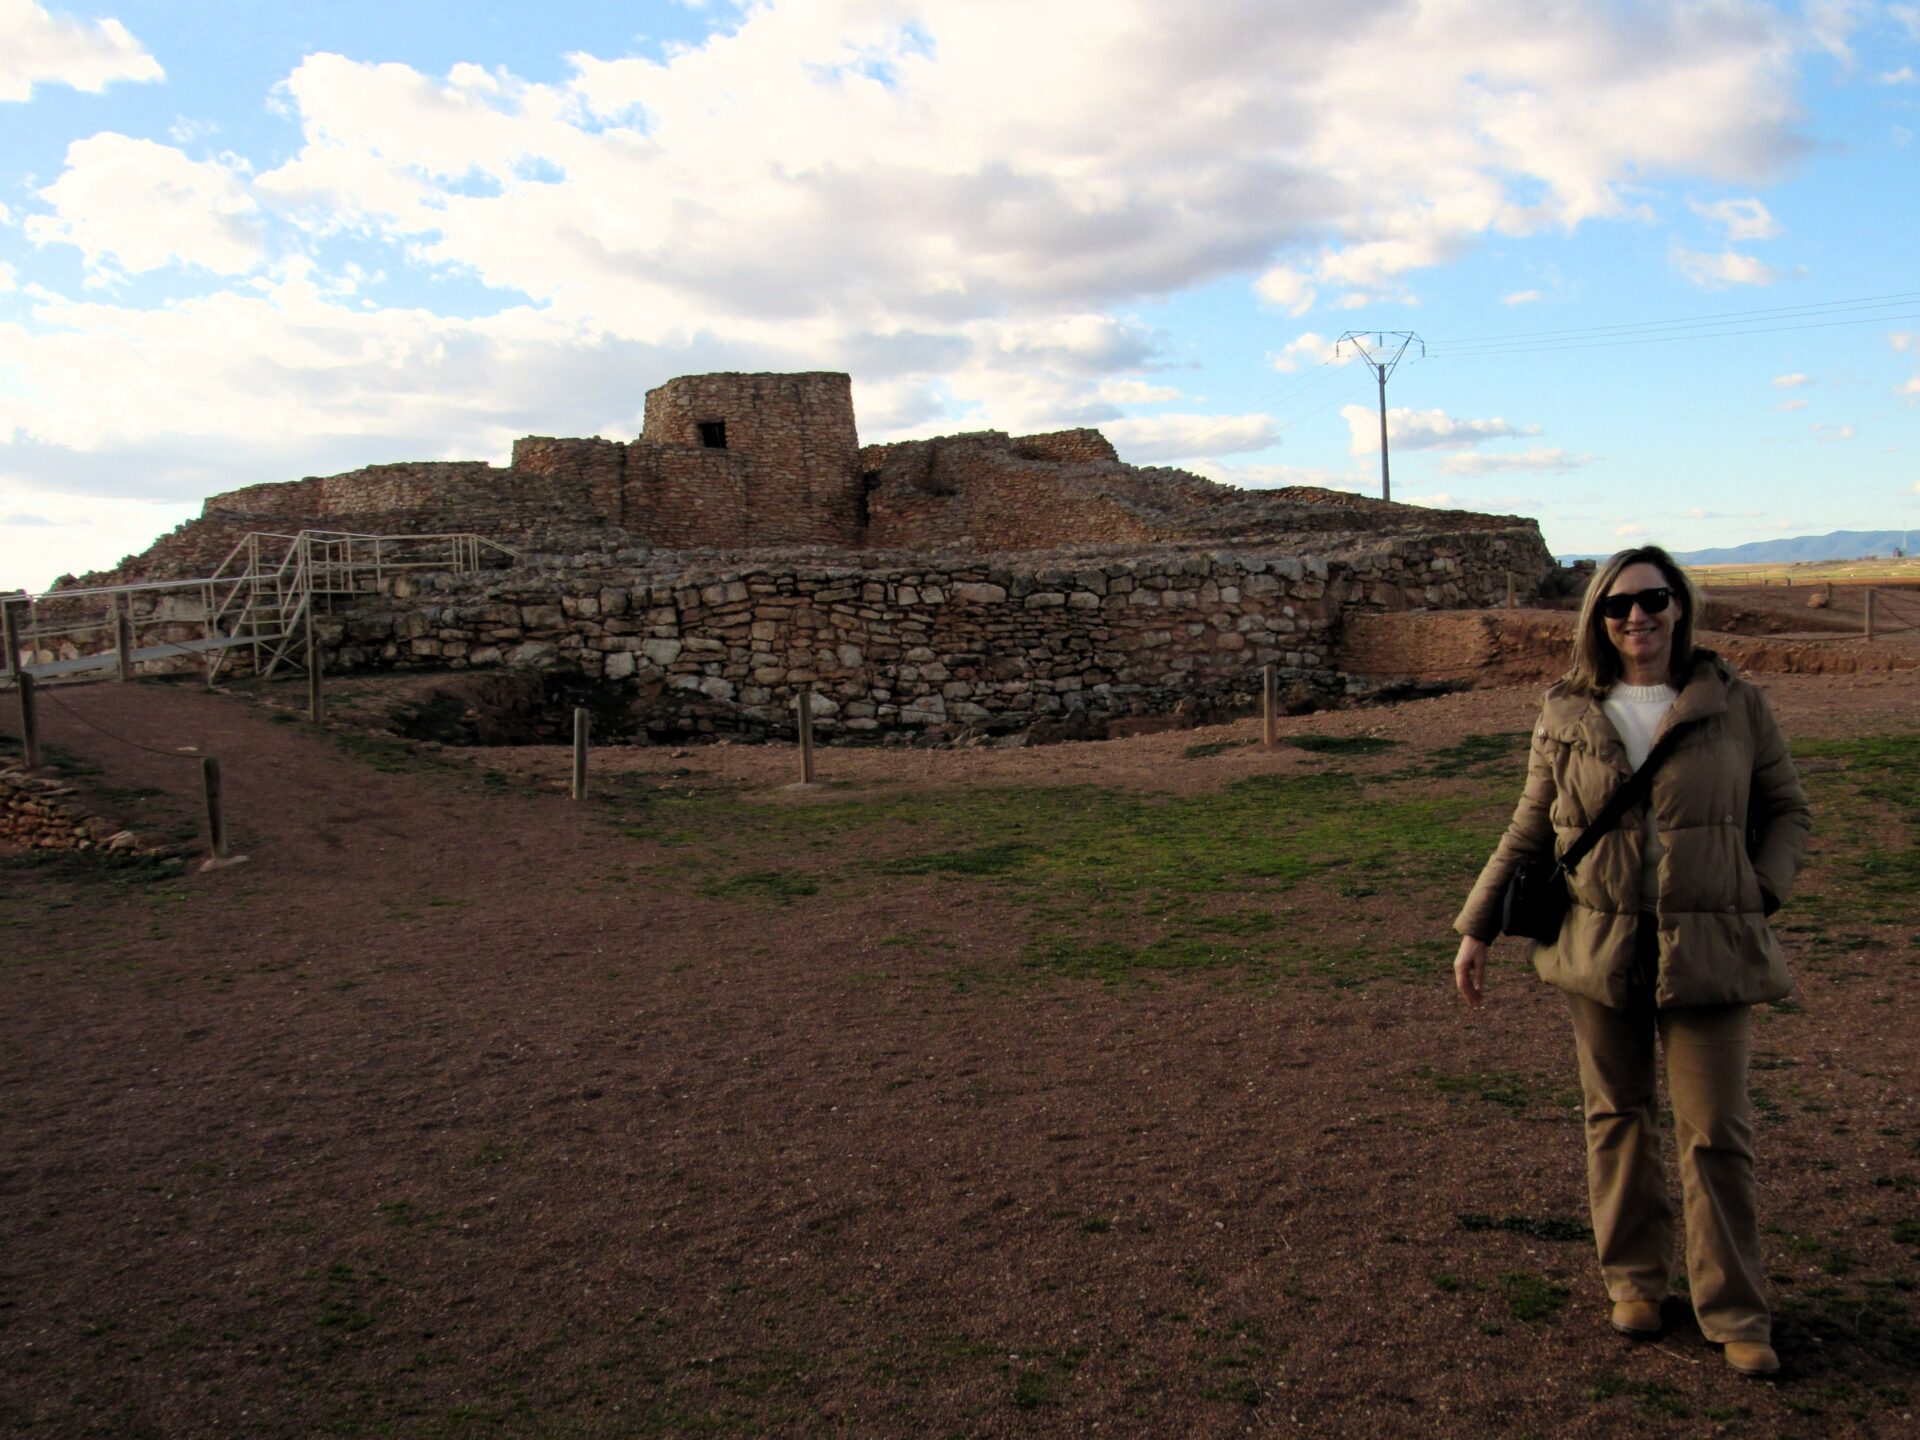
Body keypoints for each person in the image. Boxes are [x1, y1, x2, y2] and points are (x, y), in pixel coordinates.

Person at [1451, 545, 1810, 1377]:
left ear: (1679, 606)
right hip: (1600, 945)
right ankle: (1635, 1282)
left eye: (1652, 600)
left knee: (1716, 1131)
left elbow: (1788, 808)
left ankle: (1734, 1311)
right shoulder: (1568, 712)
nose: (1636, 618)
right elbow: (1529, 829)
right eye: (1618, 607)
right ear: (1598, 620)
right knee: (1616, 1116)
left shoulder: (1736, 704)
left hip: (1711, 946)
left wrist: (1760, 888)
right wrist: (1476, 929)